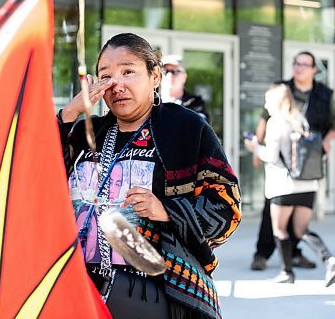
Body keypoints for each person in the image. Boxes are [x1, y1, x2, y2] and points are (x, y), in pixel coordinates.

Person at [58, 33, 241, 319]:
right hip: (79, 292)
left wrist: (166, 210)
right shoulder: (84, 133)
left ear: (155, 76)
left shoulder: (185, 128)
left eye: (128, 71)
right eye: (105, 75)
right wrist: (69, 113)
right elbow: (32, 178)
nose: (116, 84)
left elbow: (227, 209)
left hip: (161, 295)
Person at [250, 51, 335, 272]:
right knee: (275, 216)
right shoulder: (282, 89)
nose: (300, 68)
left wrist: (326, 140)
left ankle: (292, 258)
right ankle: (263, 253)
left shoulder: (325, 95)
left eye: (305, 64)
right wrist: (257, 147)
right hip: (283, 163)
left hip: (310, 163)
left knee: (293, 220)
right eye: (297, 63)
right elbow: (264, 117)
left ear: (314, 69)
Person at [160, 54, 210, 122]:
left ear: (184, 77)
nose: (170, 75)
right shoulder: (149, 102)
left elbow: (201, 128)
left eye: (175, 71)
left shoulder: (195, 104)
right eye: (165, 71)